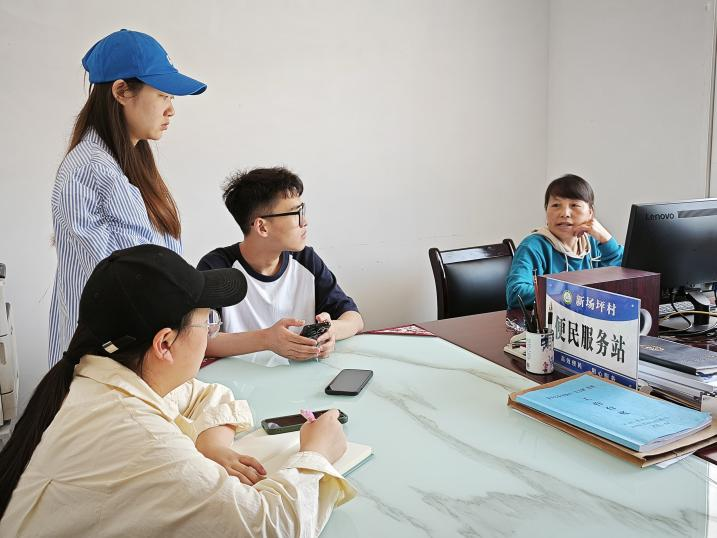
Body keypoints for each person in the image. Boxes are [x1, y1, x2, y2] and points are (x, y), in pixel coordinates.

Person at [0, 245, 354, 535]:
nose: (210, 332)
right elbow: (270, 527)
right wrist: (317, 455)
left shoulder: (101, 377)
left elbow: (206, 394)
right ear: (165, 343)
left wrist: (213, 447)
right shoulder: (142, 440)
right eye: (208, 322)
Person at [49, 29, 207, 367]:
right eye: (163, 95)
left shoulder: (127, 164)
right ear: (121, 91)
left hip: (136, 356)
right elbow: (125, 284)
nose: (171, 110)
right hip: (108, 365)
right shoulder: (90, 170)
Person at [198, 167, 364, 361]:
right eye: (296, 213)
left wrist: (330, 331)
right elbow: (195, 340)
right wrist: (267, 339)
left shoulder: (305, 260)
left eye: (303, 210)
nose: (305, 222)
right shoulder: (216, 268)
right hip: (236, 379)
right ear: (262, 227)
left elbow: (354, 319)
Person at [505, 174, 624, 308]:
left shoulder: (595, 245)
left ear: (590, 213)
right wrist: (571, 294)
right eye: (556, 205)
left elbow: (626, 279)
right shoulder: (533, 246)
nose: (565, 213)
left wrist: (606, 239)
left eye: (574, 205)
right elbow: (515, 294)